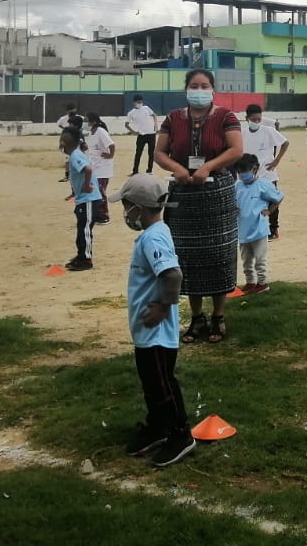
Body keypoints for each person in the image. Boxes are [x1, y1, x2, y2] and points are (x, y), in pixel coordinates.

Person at [155, 69, 244, 345]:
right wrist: (177, 169)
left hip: (217, 192)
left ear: (212, 89)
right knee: (187, 257)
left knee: (219, 255)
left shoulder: (226, 117)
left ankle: (218, 315)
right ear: (186, 89)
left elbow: (236, 150)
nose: (199, 89)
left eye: (204, 85)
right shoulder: (172, 118)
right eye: (194, 85)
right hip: (184, 194)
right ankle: (196, 317)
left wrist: (208, 167)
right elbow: (159, 152)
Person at [118, 174, 196, 467]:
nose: (125, 213)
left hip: (157, 333)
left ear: (138, 207)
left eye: (127, 206)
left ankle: (180, 434)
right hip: (146, 332)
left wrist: (164, 307)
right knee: (151, 383)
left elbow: (173, 275)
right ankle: (158, 426)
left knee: (163, 385)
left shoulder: (154, 237)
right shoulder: (153, 234)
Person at [234, 154, 283, 294]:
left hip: (259, 229)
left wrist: (269, 211)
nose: (242, 175)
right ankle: (250, 282)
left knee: (260, 258)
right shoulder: (237, 186)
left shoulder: (263, 185)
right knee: (246, 259)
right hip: (243, 229)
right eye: (240, 172)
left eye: (245, 171)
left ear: (254, 169)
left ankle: (262, 282)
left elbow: (278, 197)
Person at [242, 103, 289, 239]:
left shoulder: (268, 131)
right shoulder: (242, 134)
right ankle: (255, 227)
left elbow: (285, 142)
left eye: (259, 119)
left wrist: (277, 160)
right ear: (247, 119)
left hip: (268, 173)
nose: (256, 122)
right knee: (252, 202)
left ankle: (273, 229)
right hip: (251, 176)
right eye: (253, 120)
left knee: (272, 201)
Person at [61, 127, 104, 271]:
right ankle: (81, 255)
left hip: (89, 200)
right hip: (84, 200)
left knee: (85, 230)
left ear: (65, 142)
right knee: (81, 230)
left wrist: (87, 186)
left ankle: (86, 260)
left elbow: (88, 169)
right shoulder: (76, 154)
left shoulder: (75, 155)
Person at [85, 112, 116, 225]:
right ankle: (96, 214)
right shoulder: (90, 133)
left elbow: (111, 145)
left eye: (86, 120)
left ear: (92, 121)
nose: (85, 123)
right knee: (95, 191)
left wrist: (110, 155)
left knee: (100, 192)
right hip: (94, 167)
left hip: (103, 168)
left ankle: (104, 216)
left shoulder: (100, 132)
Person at [125, 95, 159, 176]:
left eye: (141, 102)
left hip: (151, 134)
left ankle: (149, 171)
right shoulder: (131, 113)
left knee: (151, 153)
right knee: (138, 153)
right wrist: (134, 132)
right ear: (134, 102)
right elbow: (126, 124)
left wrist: (156, 124)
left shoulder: (146, 108)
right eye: (138, 102)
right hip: (141, 135)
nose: (140, 103)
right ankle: (135, 171)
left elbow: (154, 115)